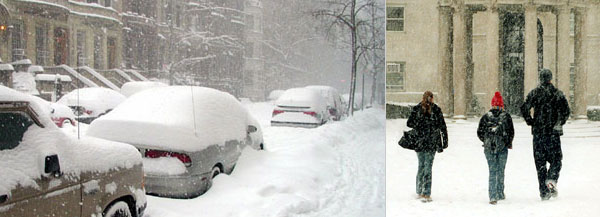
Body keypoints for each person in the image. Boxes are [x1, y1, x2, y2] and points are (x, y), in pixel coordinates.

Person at [520, 69, 570, 201]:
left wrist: (530, 121)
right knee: (556, 159)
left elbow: (524, 108)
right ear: (550, 78)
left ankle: (544, 191)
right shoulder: (557, 93)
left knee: (540, 163)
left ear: (540, 79)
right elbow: (566, 110)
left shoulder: (534, 93)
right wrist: (559, 122)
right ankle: (552, 178)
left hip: (538, 133)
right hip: (553, 133)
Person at [407, 91, 448, 202]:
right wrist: (445, 141)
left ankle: (420, 190)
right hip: (431, 143)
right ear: (432, 98)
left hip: (420, 142)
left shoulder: (417, 109)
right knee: (427, 167)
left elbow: (409, 123)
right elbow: (442, 126)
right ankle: (426, 192)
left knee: (421, 166)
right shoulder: (436, 110)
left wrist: (419, 124)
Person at [477, 92, 514, 205]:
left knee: (492, 171)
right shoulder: (506, 117)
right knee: (501, 170)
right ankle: (500, 192)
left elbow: (479, 132)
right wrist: (507, 142)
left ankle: (492, 195)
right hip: (502, 147)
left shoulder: (486, 117)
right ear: (502, 105)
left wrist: (486, 141)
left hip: (489, 147)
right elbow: (511, 132)